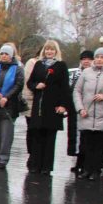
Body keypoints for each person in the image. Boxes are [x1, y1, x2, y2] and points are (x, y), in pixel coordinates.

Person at [26, 39, 70, 175]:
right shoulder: (39, 64)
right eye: (47, 49)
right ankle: (35, 165)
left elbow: (65, 87)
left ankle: (46, 166)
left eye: (52, 49)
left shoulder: (61, 66)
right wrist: (36, 86)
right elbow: (30, 82)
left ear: (56, 51)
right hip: (38, 106)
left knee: (50, 138)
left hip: (53, 106)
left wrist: (63, 105)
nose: (49, 52)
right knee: (37, 136)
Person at [73, 47, 103, 180]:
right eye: (97, 57)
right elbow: (77, 91)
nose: (99, 59)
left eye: (102, 57)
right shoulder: (86, 72)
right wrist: (80, 108)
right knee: (87, 144)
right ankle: (86, 169)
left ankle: (96, 169)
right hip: (87, 115)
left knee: (101, 145)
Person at [69, 50, 94, 174]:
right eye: (83, 59)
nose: (86, 61)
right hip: (76, 109)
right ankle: (77, 161)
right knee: (76, 136)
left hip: (91, 110)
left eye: (89, 59)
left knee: (87, 137)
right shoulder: (75, 74)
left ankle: (88, 163)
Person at [22, 46, 42, 165]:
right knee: (32, 129)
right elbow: (27, 81)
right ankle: (32, 155)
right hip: (32, 100)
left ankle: (39, 155)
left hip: (45, 103)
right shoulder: (32, 62)